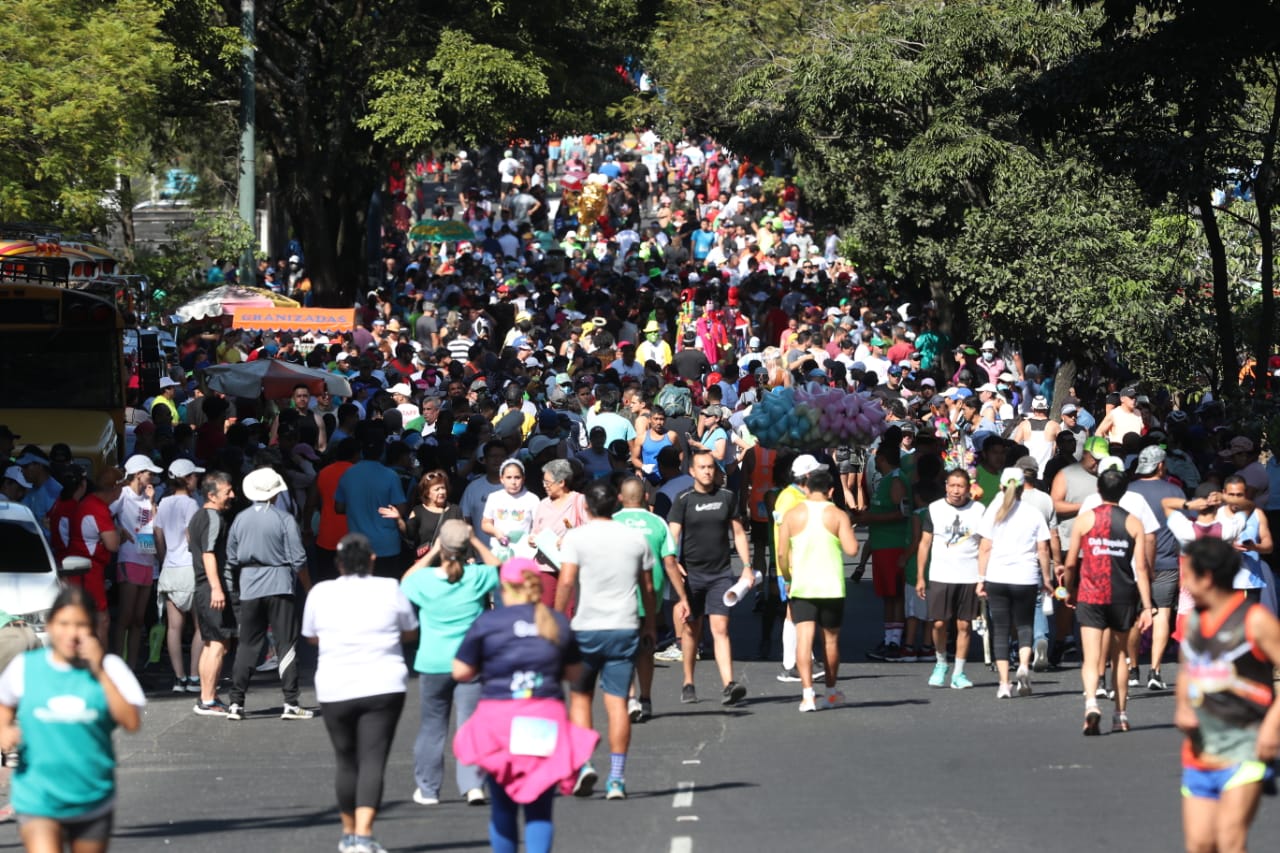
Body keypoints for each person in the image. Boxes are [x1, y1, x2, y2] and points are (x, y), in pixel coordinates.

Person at [451, 559, 598, 853]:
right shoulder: (556, 622)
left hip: (498, 720)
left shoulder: (489, 622)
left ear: (504, 587)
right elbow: (574, 674)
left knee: (503, 806)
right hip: (543, 718)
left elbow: (460, 672)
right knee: (539, 808)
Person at [0, 587, 144, 853]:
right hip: (37, 795)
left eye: (81, 625)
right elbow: (4, 705)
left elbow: (131, 722)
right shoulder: (25, 667)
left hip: (91, 796)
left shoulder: (111, 668)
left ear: (95, 626)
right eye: (64, 624)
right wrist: (4, 729)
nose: (72, 633)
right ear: (51, 624)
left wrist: (99, 671)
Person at [303, 533, 418, 853]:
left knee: (346, 760)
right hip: (384, 683)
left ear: (338, 563)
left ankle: (349, 833)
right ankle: (365, 836)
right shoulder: (390, 588)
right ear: (371, 559)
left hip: (335, 685)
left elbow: (310, 637)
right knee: (372, 759)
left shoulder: (320, 593)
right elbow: (410, 631)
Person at [1176, 537, 1280, 853]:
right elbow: (1186, 671)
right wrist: (1182, 707)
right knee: (1201, 845)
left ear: (1206, 577)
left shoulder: (1255, 620)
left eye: (1188, 575)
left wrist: (1271, 729)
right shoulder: (1193, 622)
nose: (1184, 582)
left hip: (1245, 749)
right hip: (1199, 753)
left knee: (1229, 841)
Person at [556, 479, 655, 799]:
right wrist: (650, 624)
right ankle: (616, 777)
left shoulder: (576, 538)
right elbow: (648, 588)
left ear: (586, 507)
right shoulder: (636, 538)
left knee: (581, 698)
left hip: (586, 628)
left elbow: (567, 582)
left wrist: (556, 620)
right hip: (624, 625)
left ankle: (585, 764)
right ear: (615, 503)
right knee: (618, 704)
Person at [400, 520, 500, 807]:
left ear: (442, 546)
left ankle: (429, 789)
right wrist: (477, 541)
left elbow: (406, 580)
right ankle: (473, 785)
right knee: (470, 725)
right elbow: (499, 569)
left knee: (432, 726)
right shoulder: (476, 576)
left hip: (433, 661)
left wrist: (432, 553)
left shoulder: (426, 580)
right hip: (470, 662)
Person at [1064, 468, 1154, 735]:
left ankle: (1091, 702)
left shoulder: (1085, 519)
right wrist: (1148, 606)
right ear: (1124, 492)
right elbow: (1141, 568)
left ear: (1098, 491)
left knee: (1091, 658)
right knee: (1120, 656)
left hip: (1091, 593)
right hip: (1123, 595)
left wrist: (1069, 589)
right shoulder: (1133, 523)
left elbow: (1070, 563)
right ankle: (1120, 715)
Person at [225, 467, 313, 721]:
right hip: (280, 584)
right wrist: (308, 588)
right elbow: (298, 559)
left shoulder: (240, 519)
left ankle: (236, 702)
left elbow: (231, 557)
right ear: (275, 494)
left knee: (248, 644)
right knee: (286, 643)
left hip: (250, 585)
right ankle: (290, 701)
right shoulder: (284, 519)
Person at [667, 450, 754, 706]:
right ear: (692, 471)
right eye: (702, 467)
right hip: (691, 575)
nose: (707, 471)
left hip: (720, 575)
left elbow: (738, 533)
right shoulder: (683, 499)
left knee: (721, 629)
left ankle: (729, 684)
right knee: (691, 631)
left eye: (711, 467)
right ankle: (688, 682)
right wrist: (672, 561)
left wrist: (747, 566)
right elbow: (672, 536)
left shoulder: (727, 498)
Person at [777, 468, 860, 711]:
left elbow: (782, 553)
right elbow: (852, 549)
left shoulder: (792, 515)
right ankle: (831, 692)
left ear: (807, 487)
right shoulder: (837, 515)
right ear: (831, 490)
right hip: (831, 586)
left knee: (803, 640)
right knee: (831, 642)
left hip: (802, 585)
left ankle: (807, 695)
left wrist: (788, 577)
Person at [615, 476, 687, 722]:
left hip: (619, 597)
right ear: (646, 498)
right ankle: (645, 698)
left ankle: (631, 697)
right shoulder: (658, 523)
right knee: (645, 650)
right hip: (650, 596)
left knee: (624, 651)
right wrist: (682, 597)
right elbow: (670, 561)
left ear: (620, 498)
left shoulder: (612, 523)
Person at [976, 468, 1052, 699]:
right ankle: (1024, 666)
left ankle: (1003, 683)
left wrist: (980, 579)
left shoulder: (992, 512)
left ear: (1001, 487)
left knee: (1000, 629)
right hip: (1026, 577)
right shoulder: (1033, 513)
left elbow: (985, 548)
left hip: (997, 577)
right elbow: (1043, 549)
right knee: (1024, 626)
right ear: (1022, 488)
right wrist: (1046, 579)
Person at [917, 468, 986, 690]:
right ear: (946, 486)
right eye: (952, 485)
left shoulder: (979, 510)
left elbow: (985, 545)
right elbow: (924, 543)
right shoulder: (934, 509)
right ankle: (940, 662)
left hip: (969, 575)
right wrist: (920, 576)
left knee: (964, 625)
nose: (956, 491)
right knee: (938, 623)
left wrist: (983, 577)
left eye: (961, 486)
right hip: (940, 574)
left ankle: (959, 672)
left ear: (968, 488)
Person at [153, 459, 205, 694]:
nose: (197, 479)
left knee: (174, 628)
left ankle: (179, 678)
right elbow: (191, 538)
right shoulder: (191, 504)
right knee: (200, 626)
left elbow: (158, 536)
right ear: (186, 478)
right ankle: (194, 676)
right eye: (194, 476)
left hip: (170, 569)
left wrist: (164, 559)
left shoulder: (163, 503)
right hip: (189, 569)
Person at [188, 472, 237, 715]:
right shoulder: (212, 517)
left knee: (213, 644)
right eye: (227, 491)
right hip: (210, 587)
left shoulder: (198, 516)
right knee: (217, 644)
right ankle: (207, 700)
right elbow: (208, 553)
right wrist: (217, 588)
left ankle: (208, 697)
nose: (232, 495)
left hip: (203, 586)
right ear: (211, 495)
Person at [111, 454, 163, 671]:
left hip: (147, 557)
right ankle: (116, 667)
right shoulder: (122, 494)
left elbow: (156, 522)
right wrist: (118, 529)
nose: (151, 477)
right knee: (125, 615)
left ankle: (131, 668)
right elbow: (104, 514)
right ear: (137, 474)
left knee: (139, 619)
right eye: (148, 472)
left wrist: (152, 502)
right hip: (129, 557)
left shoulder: (147, 496)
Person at [66, 468, 123, 650]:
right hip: (88, 572)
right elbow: (113, 544)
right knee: (101, 620)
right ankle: (99, 664)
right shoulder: (97, 508)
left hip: (82, 569)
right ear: (115, 489)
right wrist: (119, 533)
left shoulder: (89, 503)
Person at [335, 440, 409, 578]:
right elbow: (401, 509)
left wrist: (357, 507)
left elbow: (338, 507)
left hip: (358, 545)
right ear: (383, 453)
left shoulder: (348, 474)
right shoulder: (391, 476)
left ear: (362, 452)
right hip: (387, 545)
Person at [529, 460, 586, 611]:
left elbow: (590, 531)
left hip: (570, 566)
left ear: (561, 482)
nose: (544, 485)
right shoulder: (542, 504)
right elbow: (535, 530)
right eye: (544, 481)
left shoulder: (579, 501)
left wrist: (568, 540)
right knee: (544, 610)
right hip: (544, 567)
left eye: (548, 482)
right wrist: (532, 539)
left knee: (568, 610)